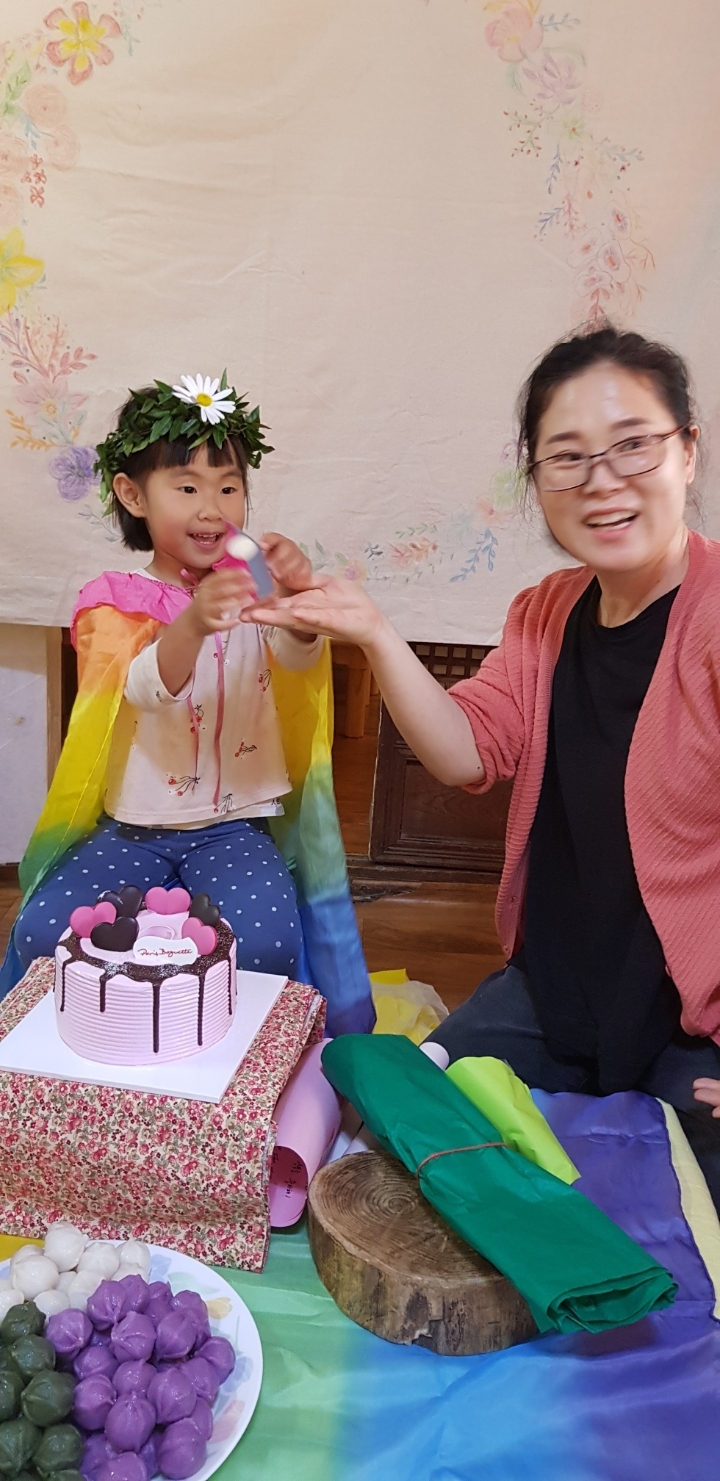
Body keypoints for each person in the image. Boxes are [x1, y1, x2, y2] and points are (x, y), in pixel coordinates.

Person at [240, 326, 720, 1207]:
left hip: (691, 1020)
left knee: (670, 1225)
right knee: (393, 1139)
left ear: (687, 452)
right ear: (537, 479)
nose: (602, 481)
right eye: (567, 457)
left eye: (633, 446)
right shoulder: (544, 611)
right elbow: (465, 752)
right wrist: (374, 631)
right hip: (552, 989)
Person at [1, 373, 374, 1035]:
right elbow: (143, 689)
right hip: (130, 827)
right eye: (188, 487)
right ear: (132, 494)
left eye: (228, 487)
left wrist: (296, 605)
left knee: (264, 945)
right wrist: (194, 623)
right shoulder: (112, 598)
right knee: (43, 933)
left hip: (235, 827)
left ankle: (228, 1060)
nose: (212, 508)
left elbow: (296, 666)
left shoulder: (250, 578)